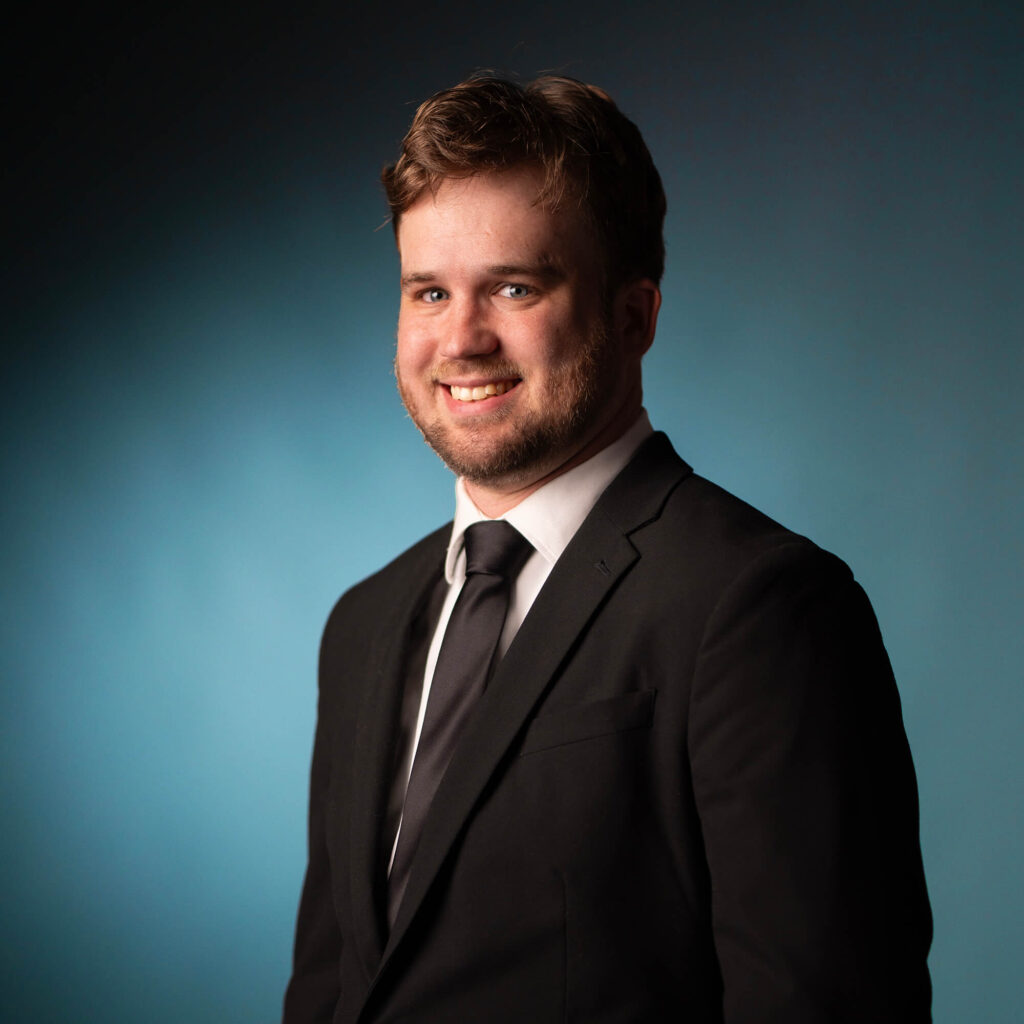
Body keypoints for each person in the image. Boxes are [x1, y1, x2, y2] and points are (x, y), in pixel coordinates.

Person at [283, 75, 932, 1023]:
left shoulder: (759, 605)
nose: (460, 339)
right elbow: (333, 991)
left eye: (514, 286)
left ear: (635, 316)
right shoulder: (364, 623)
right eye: (429, 291)